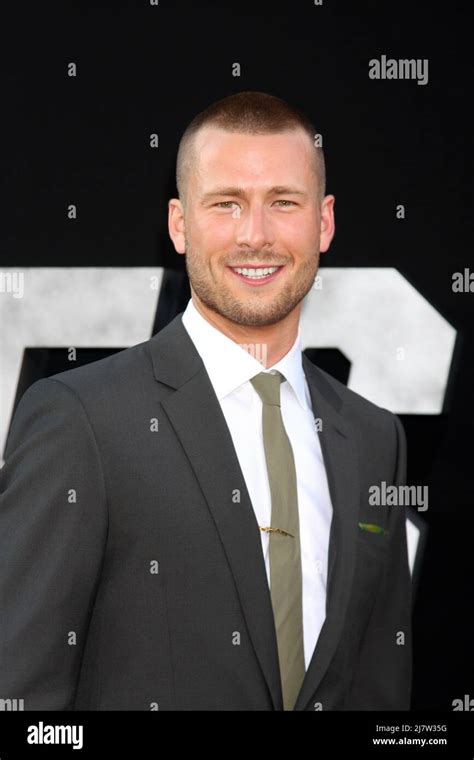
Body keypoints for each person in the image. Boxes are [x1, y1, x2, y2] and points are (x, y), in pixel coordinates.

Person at [0, 91, 412, 711]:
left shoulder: (376, 438)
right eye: (227, 204)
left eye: (284, 202)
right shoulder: (80, 420)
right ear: (178, 223)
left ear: (323, 222)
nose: (256, 235)